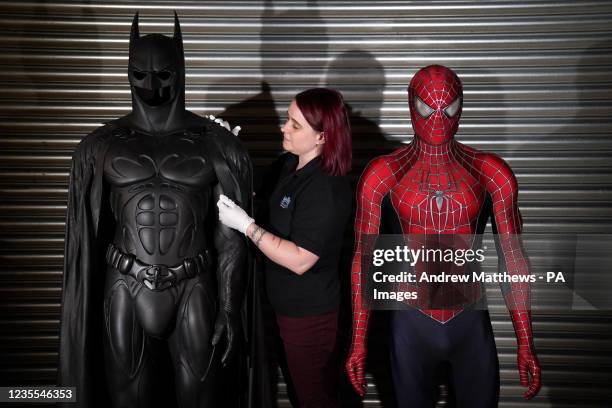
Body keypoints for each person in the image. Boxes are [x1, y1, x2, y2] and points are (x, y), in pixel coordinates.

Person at [58, 13, 252, 408]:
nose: (150, 85)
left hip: (193, 284)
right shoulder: (100, 146)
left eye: (162, 74)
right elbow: (87, 236)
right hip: (125, 284)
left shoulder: (215, 144)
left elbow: (230, 230)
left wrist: (230, 305)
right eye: (139, 74)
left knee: (203, 399)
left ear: (180, 71)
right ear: (126, 72)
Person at [345, 65, 542, 407]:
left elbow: (514, 259)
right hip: (410, 320)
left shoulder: (491, 172)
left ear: (461, 107)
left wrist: (526, 341)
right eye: (428, 107)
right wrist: (358, 341)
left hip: (467, 319)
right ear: (411, 106)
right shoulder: (382, 174)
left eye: (449, 108)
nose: (439, 117)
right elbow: (364, 261)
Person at [217, 87, 352, 408]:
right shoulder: (289, 166)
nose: (283, 128)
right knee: (296, 394)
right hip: (282, 311)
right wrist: (226, 146)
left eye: (295, 125)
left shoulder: (327, 189)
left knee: (314, 399)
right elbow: (254, 189)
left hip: (310, 320)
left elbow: (301, 260)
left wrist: (247, 227)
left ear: (322, 137)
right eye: (287, 120)